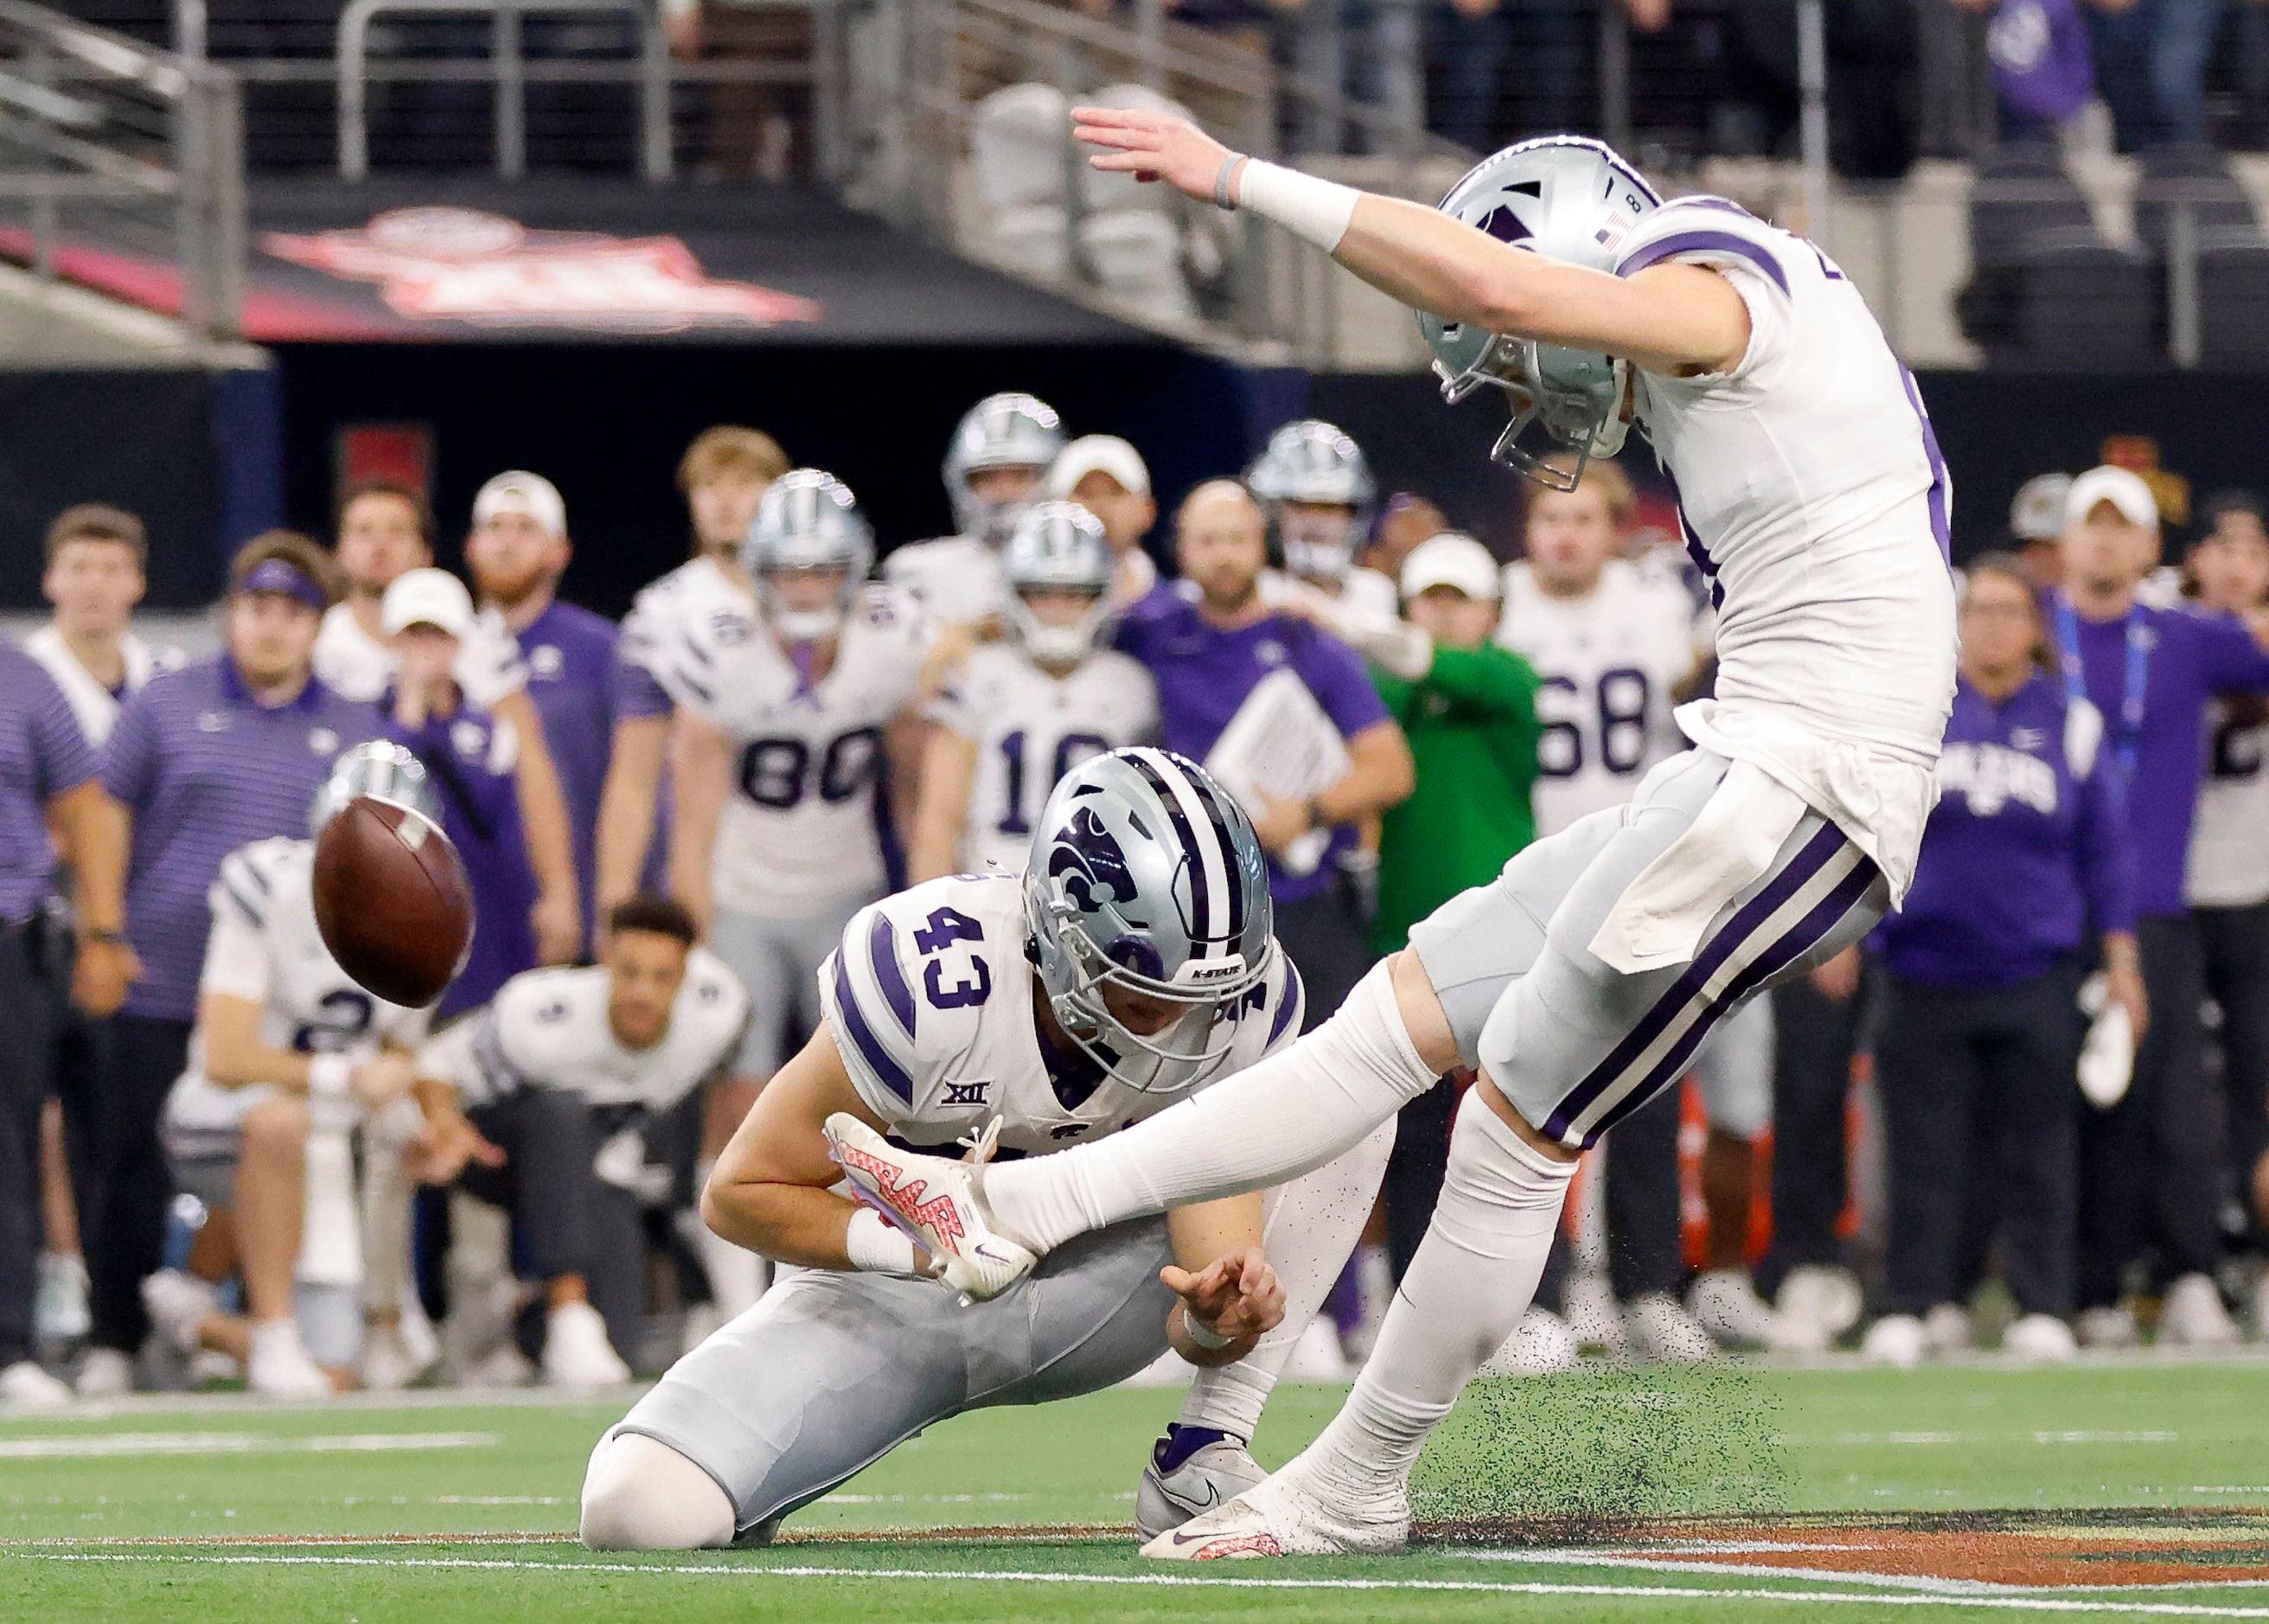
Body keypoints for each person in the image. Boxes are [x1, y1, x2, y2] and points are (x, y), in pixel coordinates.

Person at [836, 117, 1956, 1558]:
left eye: (1500, 348)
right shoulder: (1718, 317)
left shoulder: (1710, 284)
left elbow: (1504, 292)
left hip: (1812, 783)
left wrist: (1235, 179)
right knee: (1389, 1022)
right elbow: (1504, 300)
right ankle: (1014, 1205)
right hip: (1742, 762)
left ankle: (1358, 1477)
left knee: (1512, 1120)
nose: (1512, 396)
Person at [578, 750, 1393, 1550]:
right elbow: (739, 1190)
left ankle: (1205, 1452)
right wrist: (920, 1254)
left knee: (1343, 1107)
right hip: (892, 1307)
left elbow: (1199, 1291)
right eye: (1142, 984)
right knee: (639, 1511)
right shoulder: (935, 981)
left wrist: (1221, 1320)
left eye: (1196, 994)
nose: (1174, 1017)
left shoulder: (1232, 1006)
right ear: (1062, 934)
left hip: (1095, 1285)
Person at [83, 534, 388, 1397]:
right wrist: (102, 934)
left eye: (292, 612)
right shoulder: (167, 701)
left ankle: (234, 1325)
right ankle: (116, 1337)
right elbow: (104, 812)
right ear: (232, 612)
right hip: (163, 975)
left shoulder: (353, 727)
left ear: (317, 626)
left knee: (266, 1159)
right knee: (131, 1163)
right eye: (257, 607)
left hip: (282, 1001)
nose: (271, 626)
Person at [1497, 453, 1777, 1353]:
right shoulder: (1497, 603)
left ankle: (1646, 1284)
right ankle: (1546, 1292)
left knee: (1648, 1084)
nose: (1564, 536)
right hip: (1529, 868)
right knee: (1530, 1084)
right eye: (1549, 520)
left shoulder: (1651, 606)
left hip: (1638, 868)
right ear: (1526, 529)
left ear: (1614, 532)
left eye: (1581, 520)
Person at [1860, 556, 2143, 1369]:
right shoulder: (1911, 717)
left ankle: (2041, 1303)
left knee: (2040, 1149)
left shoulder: (2073, 723)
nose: (1990, 623)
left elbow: (2108, 856)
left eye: (2007, 609)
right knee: (1920, 1151)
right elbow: (1868, 829)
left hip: (2036, 967)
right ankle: (1914, 1302)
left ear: (2035, 626)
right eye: (1976, 608)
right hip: (1921, 967)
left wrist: (2122, 961)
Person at [661, 470, 930, 1313]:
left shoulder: (892, 639)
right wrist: (693, 925)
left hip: (846, 892)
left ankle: (840, 1278)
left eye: (821, 572)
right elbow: (692, 811)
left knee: (861, 1094)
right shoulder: (722, 648)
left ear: (851, 571)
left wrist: (916, 897)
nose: (806, 590)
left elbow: (914, 781)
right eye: (790, 573)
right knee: (739, 1093)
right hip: (744, 894)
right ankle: (738, 1293)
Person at [144, 745, 472, 1397]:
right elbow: (226, 1056)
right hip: (215, 1112)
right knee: (280, 1122)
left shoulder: (433, 924)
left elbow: (400, 1058)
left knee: (336, 1374)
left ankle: (196, 1318)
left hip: (323, 1135)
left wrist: (427, 1122)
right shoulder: (266, 884)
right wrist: (347, 1081)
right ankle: (267, 1332)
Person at [2054, 464, 2269, 1351]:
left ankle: (2186, 1275)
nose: (2103, 541)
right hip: (2043, 910)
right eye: (2088, 525)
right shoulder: (2020, 626)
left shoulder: (2184, 635)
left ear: (2149, 550)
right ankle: (2082, 1287)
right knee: (2065, 1109)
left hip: (2153, 906)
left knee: (2176, 1106)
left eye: (2122, 527)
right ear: (2065, 543)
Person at [1333, 532, 1539, 1342]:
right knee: (1412, 1138)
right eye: (1432, 598)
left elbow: (1434, 665)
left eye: (1460, 599)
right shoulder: (1380, 686)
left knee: (1515, 1125)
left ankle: (1530, 1306)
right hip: (1406, 941)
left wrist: (1335, 614)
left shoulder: (1509, 677)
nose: (1446, 614)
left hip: (1509, 940)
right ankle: (1417, 1308)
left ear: (1490, 609)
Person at [414, 894, 751, 1388]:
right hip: (498, 1157)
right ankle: (568, 1311)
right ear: (606, 963)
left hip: (595, 1173)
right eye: (629, 972)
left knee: (622, 1345)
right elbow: (435, 1064)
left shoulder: (717, 1013)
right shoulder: (546, 1014)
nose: (642, 992)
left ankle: (523, 1321)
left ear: (686, 978)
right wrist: (447, 1125)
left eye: (661, 977)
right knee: (562, 1115)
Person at [1117, 481, 1414, 1032]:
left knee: (1328, 1078)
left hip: (1300, 901)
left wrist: (1307, 812)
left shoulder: (1310, 643)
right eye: (1207, 541)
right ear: (1181, 549)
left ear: (1264, 542)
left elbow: (1391, 769)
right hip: (1186, 906)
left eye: (1236, 538)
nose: (1224, 555)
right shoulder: (1153, 633)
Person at [23, 503, 182, 1355]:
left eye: (109, 568)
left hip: (131, 941)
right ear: (51, 580)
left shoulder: (165, 680)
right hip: (33, 931)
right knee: (34, 1124)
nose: (92, 585)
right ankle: (54, 1281)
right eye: (77, 567)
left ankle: (127, 1306)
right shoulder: (23, 675)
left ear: (137, 583)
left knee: (123, 1133)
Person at [317, 481, 579, 966]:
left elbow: (531, 769)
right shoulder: (320, 647)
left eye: (397, 531)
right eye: (364, 531)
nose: (380, 545)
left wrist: (558, 890)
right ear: (338, 550)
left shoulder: (478, 642)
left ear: (424, 549)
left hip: (471, 883)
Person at [0, 630, 132, 1410]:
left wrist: (104, 934)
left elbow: (85, 804)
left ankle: (7, 1345)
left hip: (8, 937)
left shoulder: (22, 676)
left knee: (7, 1147)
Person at [596, 425, 788, 922]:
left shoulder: (829, 600)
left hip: (829, 867)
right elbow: (633, 778)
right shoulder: (663, 616)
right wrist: (615, 900)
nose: (725, 501)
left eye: (744, 484)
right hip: (707, 875)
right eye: (709, 486)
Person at [910, 502, 1156, 882]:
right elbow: (938, 822)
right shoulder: (975, 672)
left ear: (1103, 594)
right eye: (1041, 594)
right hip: (992, 886)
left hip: (1101, 895)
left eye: (1074, 594)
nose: (1057, 610)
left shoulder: (1132, 685)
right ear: (1011, 594)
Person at [464, 470, 624, 958]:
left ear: (560, 551)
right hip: (473, 906)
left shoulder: (602, 648)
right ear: (470, 546)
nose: (507, 543)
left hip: (576, 905)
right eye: (494, 527)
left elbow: (635, 784)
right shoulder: (444, 646)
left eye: (526, 528)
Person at [380, 569, 543, 1020]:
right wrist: (409, 718)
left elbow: (507, 836)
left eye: (438, 635)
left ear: (458, 643)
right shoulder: (362, 720)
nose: (425, 649)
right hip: (398, 916)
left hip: (482, 918)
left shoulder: (492, 732)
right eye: (414, 635)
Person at [2185, 492, 2269, 1268]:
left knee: (2257, 1085)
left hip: (2256, 890)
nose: (2239, 566)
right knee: (2173, 1088)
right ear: (2196, 560)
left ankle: (2256, 1251)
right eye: (2225, 549)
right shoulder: (2164, 631)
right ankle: (2184, 1257)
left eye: (2255, 551)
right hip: (2173, 893)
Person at [883, 393, 1064, 627]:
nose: (1004, 493)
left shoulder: (1097, 563)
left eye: (1020, 476)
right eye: (987, 479)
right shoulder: (921, 570)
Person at [1246, 419, 1398, 623]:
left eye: (1330, 507)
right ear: (1270, 514)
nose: (1316, 522)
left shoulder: (1376, 593)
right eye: (1301, 506)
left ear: (1354, 515)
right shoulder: (1248, 590)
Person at [1045, 434, 1160, 605]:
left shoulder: (1183, 617)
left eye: (1115, 492)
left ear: (1148, 512)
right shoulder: (1013, 613)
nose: (1101, 507)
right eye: (1085, 493)